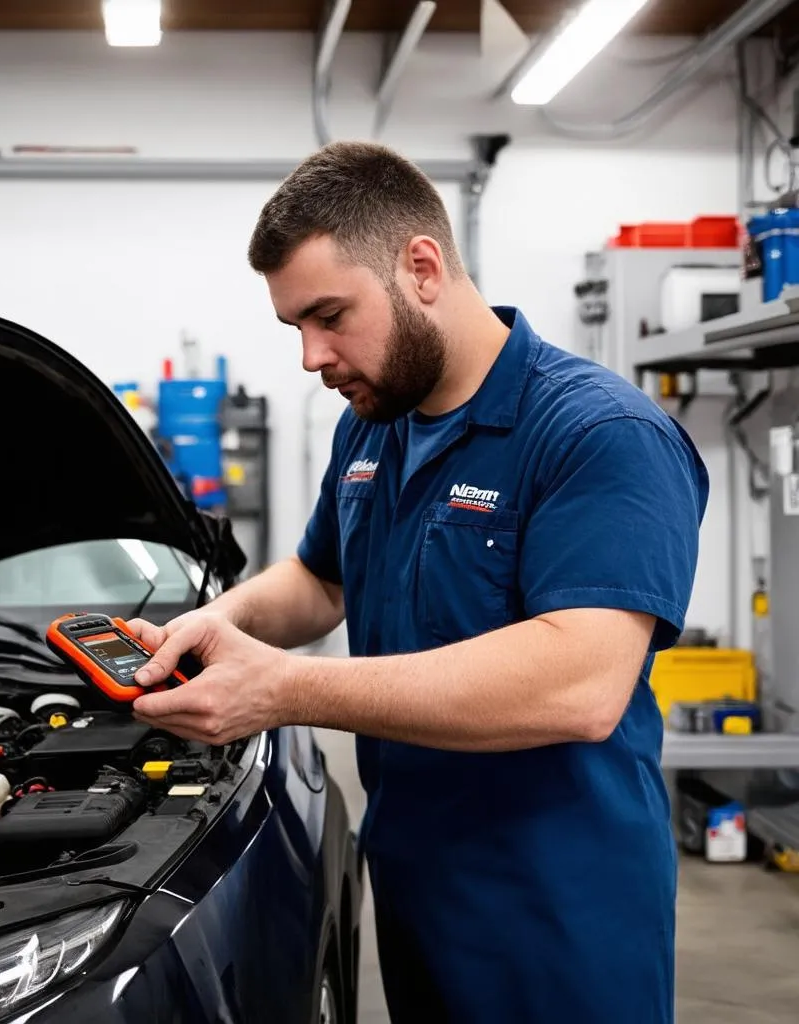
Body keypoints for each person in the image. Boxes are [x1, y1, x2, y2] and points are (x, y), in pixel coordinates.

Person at [127, 140, 708, 1023]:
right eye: (295, 328)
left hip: (556, 917)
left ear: (423, 267)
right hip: (414, 889)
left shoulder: (600, 434)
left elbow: (583, 682)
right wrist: (211, 624)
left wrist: (282, 688)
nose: (312, 357)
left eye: (330, 315)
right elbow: (320, 583)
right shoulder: (374, 427)